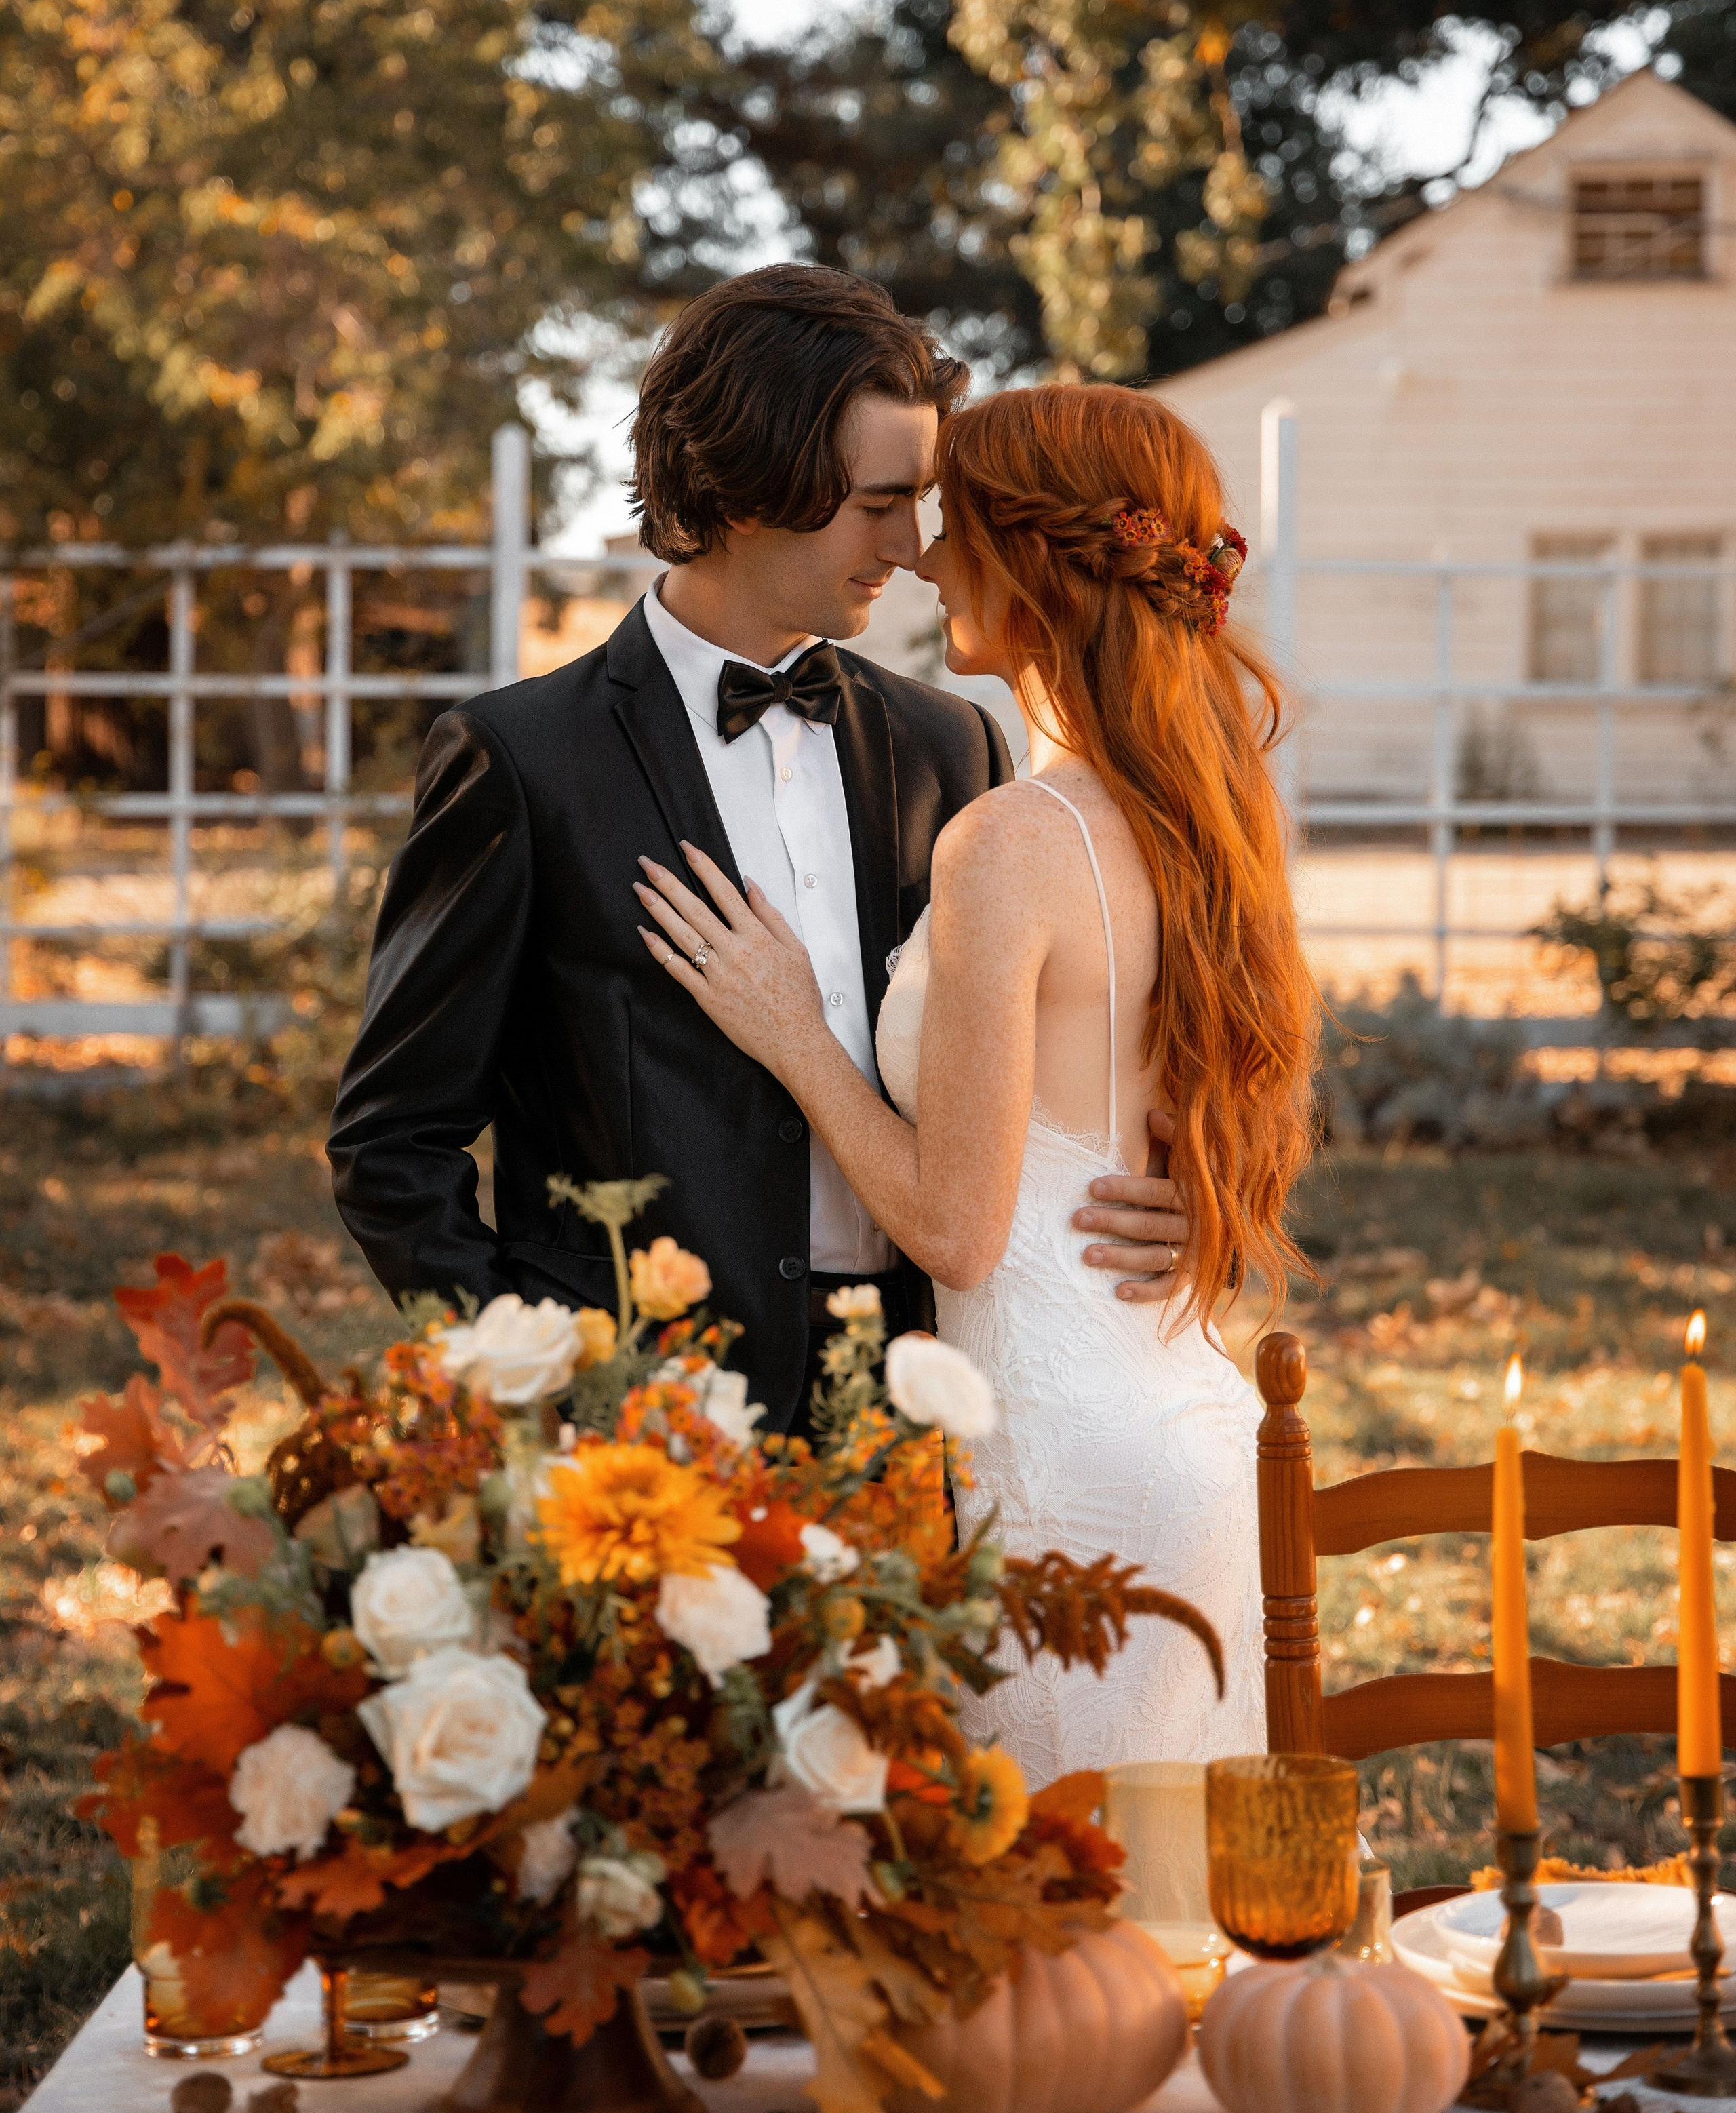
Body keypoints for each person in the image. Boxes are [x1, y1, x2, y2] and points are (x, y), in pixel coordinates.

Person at [329, 269, 1194, 1435]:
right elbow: (394, 1143)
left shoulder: (953, 746)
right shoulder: (523, 762)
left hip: (922, 1417)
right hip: (634, 1423)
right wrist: (530, 1388)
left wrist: (1185, 1191)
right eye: (875, 503)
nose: (916, 544)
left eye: (918, 499)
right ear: (745, 491)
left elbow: (1061, 1056)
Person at [633, 383, 1318, 1776]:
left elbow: (954, 1228)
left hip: (1062, 1473)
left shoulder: (1008, 839)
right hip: (1185, 1426)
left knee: (1061, 1947)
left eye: (957, 528)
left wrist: (794, 1032)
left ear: (1034, 561)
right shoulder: (1205, 809)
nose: (928, 559)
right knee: (1184, 1939)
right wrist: (1205, 1200)